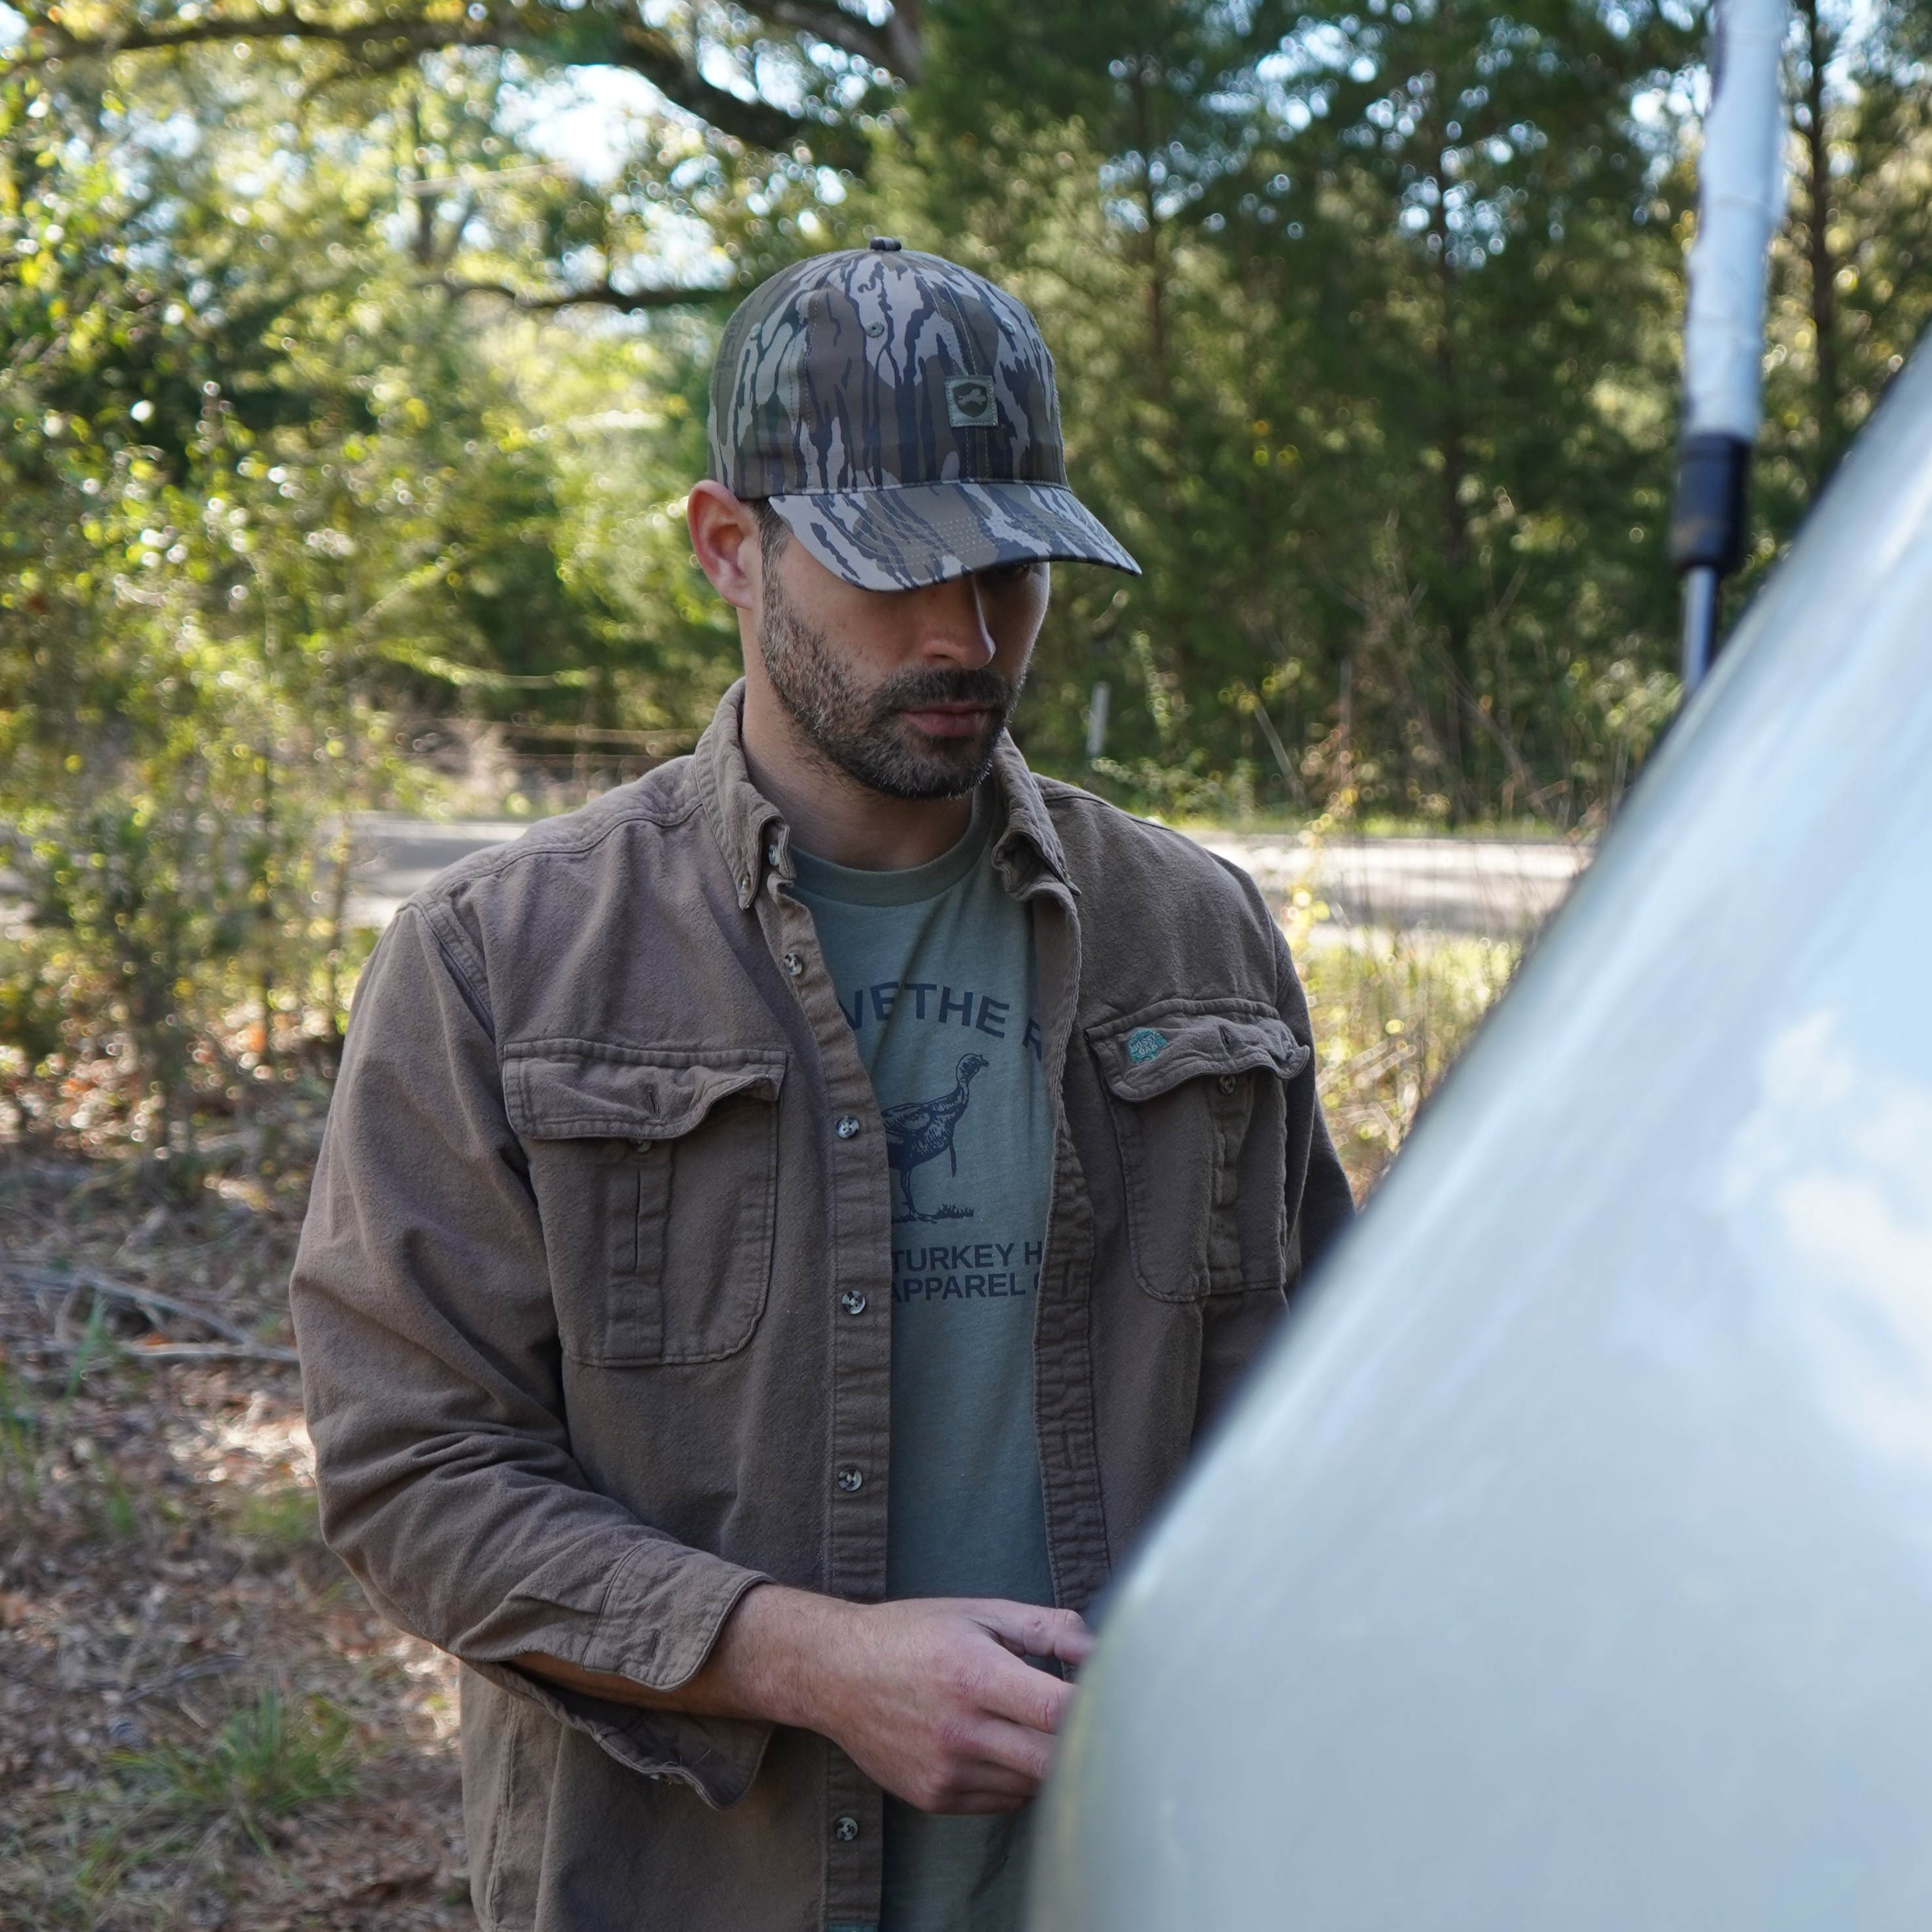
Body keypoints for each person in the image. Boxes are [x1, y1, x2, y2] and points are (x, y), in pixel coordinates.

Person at [291, 238, 1355, 1932]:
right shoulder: (502, 961)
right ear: (729, 546)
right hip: (682, 1881)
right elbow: (413, 1468)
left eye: (1012, 567)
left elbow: (1307, 1412)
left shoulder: (1197, 938)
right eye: (892, 568)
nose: (965, 630)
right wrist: (811, 1660)